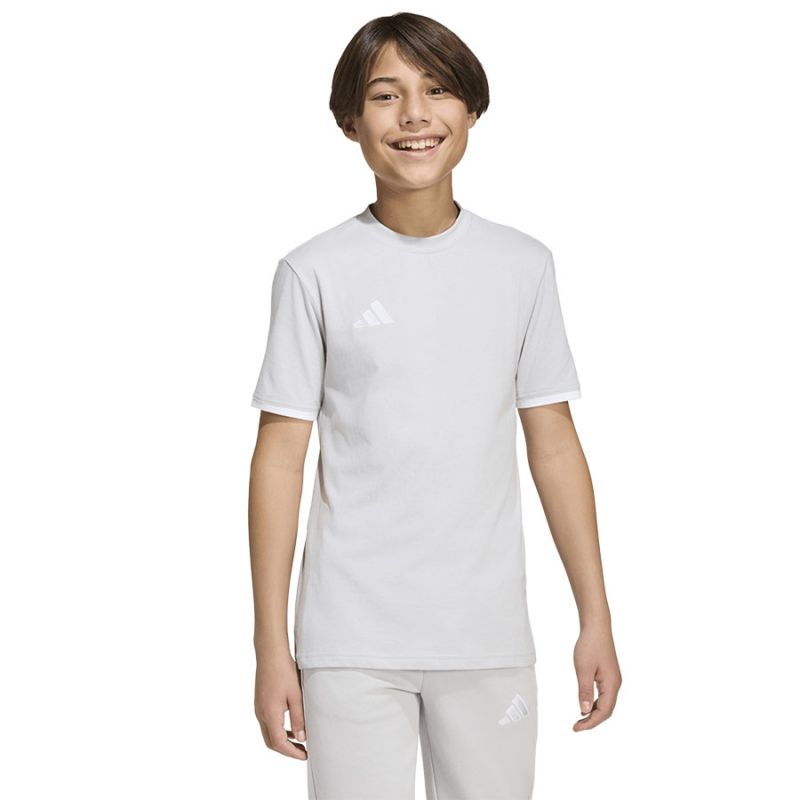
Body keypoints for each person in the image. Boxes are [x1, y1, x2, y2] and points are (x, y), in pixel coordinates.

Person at [248, 12, 622, 800]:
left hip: (487, 636)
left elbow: (553, 443)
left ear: (471, 110)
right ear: (350, 121)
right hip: (350, 639)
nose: (414, 115)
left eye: (438, 90)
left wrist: (596, 615)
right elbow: (279, 459)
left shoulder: (522, 267)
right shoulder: (313, 272)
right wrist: (271, 646)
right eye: (386, 95)